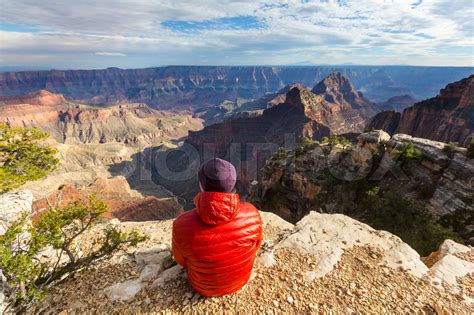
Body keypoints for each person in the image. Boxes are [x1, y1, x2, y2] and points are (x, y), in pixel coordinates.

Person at [172, 158, 263, 297]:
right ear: (233, 184)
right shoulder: (252, 215)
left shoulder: (181, 224)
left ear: (202, 186)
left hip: (203, 287)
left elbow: (181, 261)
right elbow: (254, 248)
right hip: (240, 280)